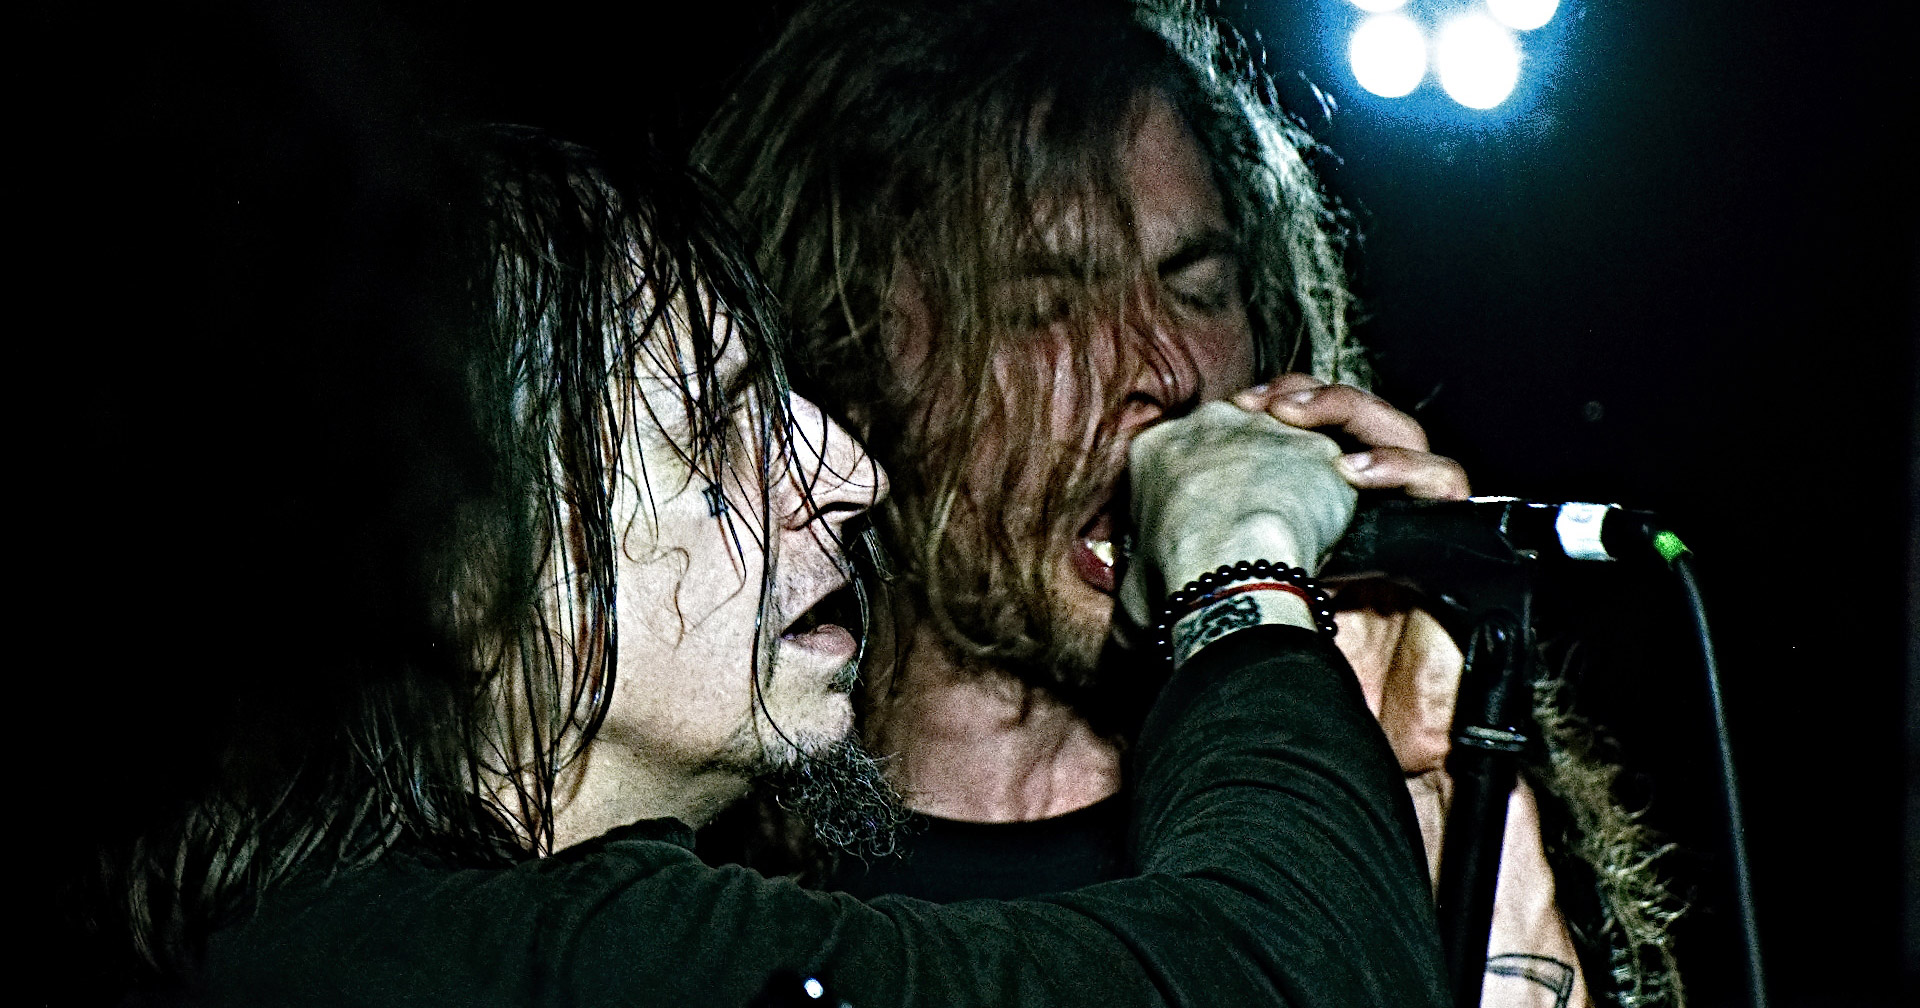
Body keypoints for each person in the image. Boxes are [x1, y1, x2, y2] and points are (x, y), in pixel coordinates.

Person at [69, 112, 1458, 1006]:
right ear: (445, 549)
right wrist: (1240, 587)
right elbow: (1289, 979)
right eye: (724, 424)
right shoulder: (491, 965)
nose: (849, 475)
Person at [695, 1, 1681, 1005]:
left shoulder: (1389, 797)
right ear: (847, 360)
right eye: (1048, 305)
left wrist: (1438, 796)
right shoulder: (690, 880)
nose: (1166, 371)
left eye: (1198, 287)